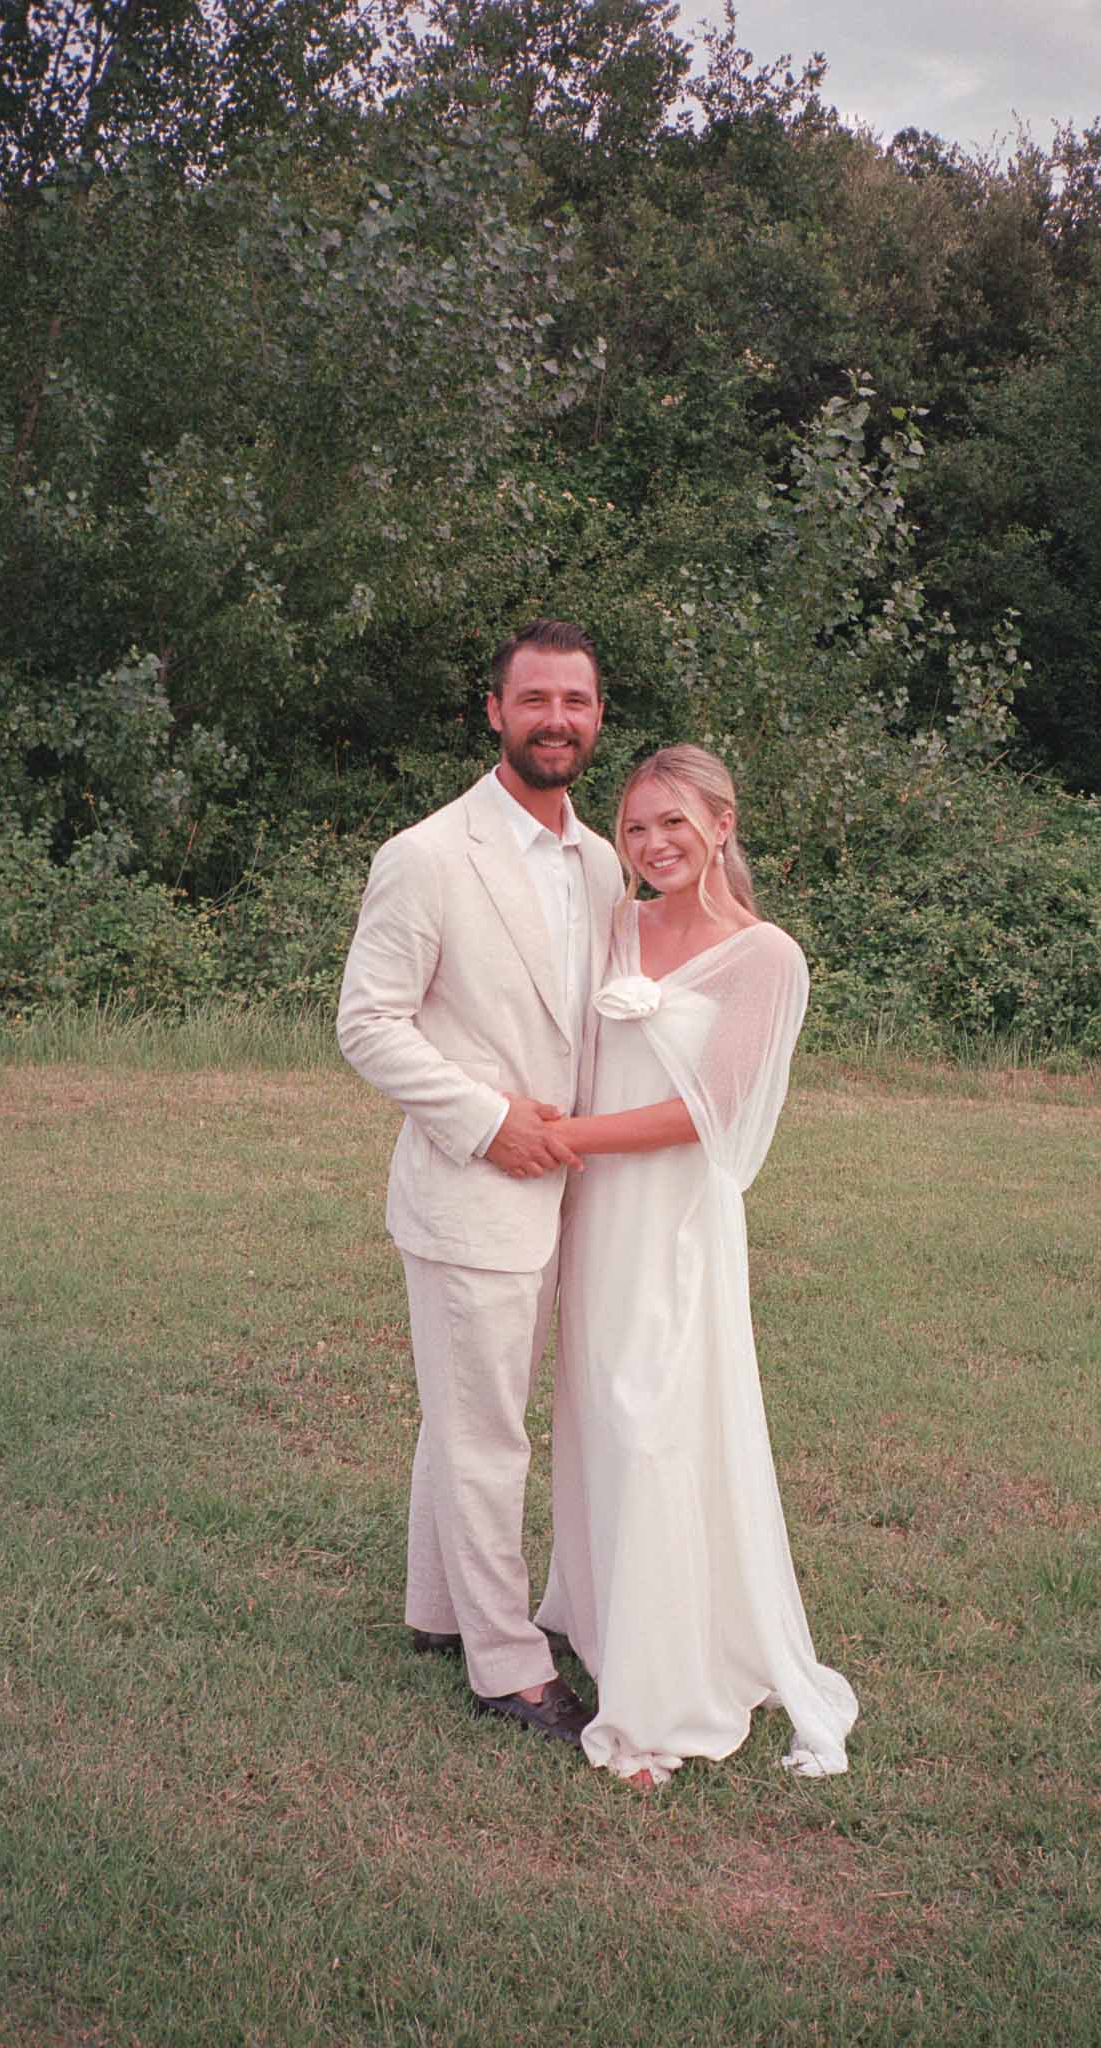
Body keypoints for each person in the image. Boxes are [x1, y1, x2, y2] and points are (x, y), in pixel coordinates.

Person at [535, 744, 859, 1787]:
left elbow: (707, 1112)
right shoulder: (616, 927)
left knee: (656, 1425)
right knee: (597, 1419)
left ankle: (660, 1696)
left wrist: (570, 1137)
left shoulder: (766, 955)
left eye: (674, 821)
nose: (653, 843)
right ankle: (603, 1622)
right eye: (634, 828)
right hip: (594, 1221)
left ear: (723, 822)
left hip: (674, 1224)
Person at [336, 620, 623, 1745]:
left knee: (466, 1411)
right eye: (536, 698)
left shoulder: (601, 861)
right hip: (470, 1185)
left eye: (578, 701)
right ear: (493, 711)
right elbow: (366, 1022)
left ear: (598, 718)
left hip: (569, 1191)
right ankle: (508, 1666)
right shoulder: (428, 852)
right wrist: (488, 1119)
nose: (558, 718)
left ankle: (436, 1607)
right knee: (484, 1430)